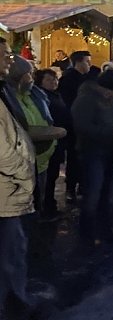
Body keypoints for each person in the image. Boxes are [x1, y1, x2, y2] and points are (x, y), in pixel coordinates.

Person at [0, 38, 38, 320]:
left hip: (10, 189)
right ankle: (12, 308)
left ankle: (16, 301)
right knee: (10, 251)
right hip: (6, 187)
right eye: (4, 56)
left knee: (14, 249)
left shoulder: (5, 90)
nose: (8, 61)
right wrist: (23, 171)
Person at [71, 70, 113, 248]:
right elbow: (82, 127)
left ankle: (105, 230)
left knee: (106, 193)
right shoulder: (86, 99)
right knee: (93, 194)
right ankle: (86, 234)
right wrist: (111, 131)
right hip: (91, 152)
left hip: (109, 151)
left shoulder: (112, 100)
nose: (110, 94)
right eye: (109, 91)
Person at [3, 56, 62, 218]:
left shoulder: (35, 94)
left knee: (38, 200)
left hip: (41, 160)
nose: (32, 77)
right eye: (29, 74)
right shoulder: (9, 99)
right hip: (22, 164)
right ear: (19, 77)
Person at [58, 50, 98, 204]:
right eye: (87, 61)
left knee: (86, 157)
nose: (89, 64)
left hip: (88, 124)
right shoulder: (68, 79)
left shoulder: (90, 78)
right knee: (74, 157)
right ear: (78, 62)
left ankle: (83, 185)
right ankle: (70, 187)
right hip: (73, 124)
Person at [35, 68, 71, 221]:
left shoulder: (56, 95)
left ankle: (50, 205)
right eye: (49, 80)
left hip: (58, 140)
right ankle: (46, 208)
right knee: (48, 176)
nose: (54, 82)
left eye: (55, 79)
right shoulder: (41, 98)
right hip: (50, 141)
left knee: (53, 174)